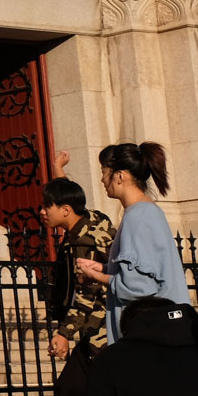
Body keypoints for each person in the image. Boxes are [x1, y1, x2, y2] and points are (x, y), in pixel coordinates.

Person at [74, 142, 189, 342]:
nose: (102, 179)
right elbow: (145, 271)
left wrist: (96, 275)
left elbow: (139, 286)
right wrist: (104, 268)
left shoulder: (138, 217)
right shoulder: (146, 212)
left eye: (104, 172)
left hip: (149, 337)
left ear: (120, 176)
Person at [38, 156, 115, 396]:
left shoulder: (84, 243)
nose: (43, 212)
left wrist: (64, 334)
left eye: (48, 206)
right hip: (97, 333)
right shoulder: (92, 219)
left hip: (100, 335)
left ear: (66, 210)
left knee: (70, 395)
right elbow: (71, 195)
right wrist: (59, 172)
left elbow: (86, 294)